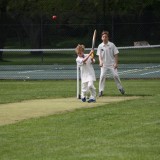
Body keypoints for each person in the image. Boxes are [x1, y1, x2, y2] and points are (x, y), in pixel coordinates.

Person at [96, 31, 125, 97]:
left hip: (112, 64)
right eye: (103, 37)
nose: (104, 38)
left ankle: (120, 88)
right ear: (101, 38)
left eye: (106, 37)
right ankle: (100, 91)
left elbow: (116, 54)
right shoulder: (100, 46)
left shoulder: (112, 45)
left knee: (116, 76)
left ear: (108, 38)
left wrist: (116, 63)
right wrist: (100, 62)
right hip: (104, 65)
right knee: (102, 76)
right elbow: (99, 56)